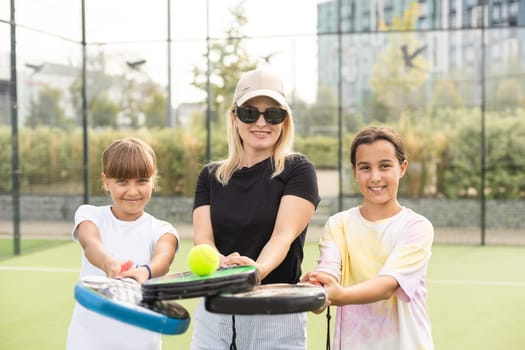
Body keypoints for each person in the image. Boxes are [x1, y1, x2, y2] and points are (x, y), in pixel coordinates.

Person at [190, 68, 320, 350]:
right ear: (234, 117)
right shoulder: (210, 176)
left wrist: (255, 270)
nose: (261, 122)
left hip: (276, 311)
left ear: (284, 121)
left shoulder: (298, 169)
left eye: (273, 114)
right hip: (216, 309)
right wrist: (223, 265)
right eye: (250, 112)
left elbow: (283, 236)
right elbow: (203, 239)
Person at [302, 126, 434, 350]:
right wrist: (315, 290)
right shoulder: (338, 225)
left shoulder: (417, 227)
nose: (375, 177)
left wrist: (339, 294)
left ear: (402, 168)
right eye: (365, 168)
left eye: (384, 166)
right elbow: (325, 285)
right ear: (355, 172)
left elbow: (387, 286)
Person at [66, 137, 180, 350]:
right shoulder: (90, 214)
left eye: (142, 181)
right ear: (106, 180)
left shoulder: (162, 229)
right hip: (87, 339)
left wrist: (145, 272)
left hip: (141, 342)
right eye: (122, 182)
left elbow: (164, 256)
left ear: (153, 181)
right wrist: (109, 263)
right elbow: (90, 243)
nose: (133, 191)